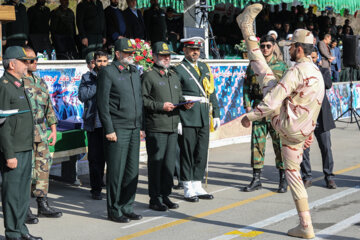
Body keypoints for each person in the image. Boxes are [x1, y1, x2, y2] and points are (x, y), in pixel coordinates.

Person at [237, 4, 324, 238]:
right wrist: (308, 136)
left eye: (292, 47)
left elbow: (273, 102)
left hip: (283, 123)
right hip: (300, 132)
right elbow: (315, 109)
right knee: (294, 176)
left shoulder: (296, 71)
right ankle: (305, 226)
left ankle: (246, 27)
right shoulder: (318, 74)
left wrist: (251, 116)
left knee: (264, 73)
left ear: (298, 48)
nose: (290, 51)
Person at [142, 42, 194, 211]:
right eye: (163, 55)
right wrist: (160, 106)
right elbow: (143, 100)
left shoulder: (173, 75)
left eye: (169, 56)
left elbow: (178, 96)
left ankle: (165, 195)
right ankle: (155, 198)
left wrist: (184, 104)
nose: (167, 58)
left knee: (169, 164)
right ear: (155, 56)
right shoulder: (149, 76)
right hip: (156, 126)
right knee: (156, 164)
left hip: (172, 125)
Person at [97, 38, 143, 223]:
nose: (132, 56)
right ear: (118, 54)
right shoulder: (108, 72)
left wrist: (141, 126)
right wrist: (109, 129)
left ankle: (127, 206)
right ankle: (114, 209)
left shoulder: (133, 72)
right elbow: (103, 103)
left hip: (134, 128)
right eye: (128, 53)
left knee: (132, 171)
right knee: (116, 171)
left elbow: (138, 101)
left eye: (133, 53)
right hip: (117, 128)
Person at [0, 46, 42, 240]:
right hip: (14, 151)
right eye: (24, 61)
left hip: (25, 147)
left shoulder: (18, 84)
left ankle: (21, 230)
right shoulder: (4, 86)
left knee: (23, 194)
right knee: (12, 195)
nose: (28, 64)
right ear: (11, 64)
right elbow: (3, 125)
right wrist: (9, 154)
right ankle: (13, 233)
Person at [174, 37, 220, 202]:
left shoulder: (204, 66)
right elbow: (176, 95)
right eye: (192, 49)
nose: (195, 52)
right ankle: (187, 185)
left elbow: (211, 91)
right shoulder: (179, 69)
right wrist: (178, 118)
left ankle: (197, 183)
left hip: (203, 115)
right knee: (187, 152)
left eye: (198, 50)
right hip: (188, 115)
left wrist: (216, 113)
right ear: (185, 50)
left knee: (201, 150)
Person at [243, 34, 288, 193]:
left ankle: (283, 179)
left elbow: (287, 89)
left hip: (275, 110)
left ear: (274, 46)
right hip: (259, 108)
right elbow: (246, 86)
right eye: (262, 46)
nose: (265, 49)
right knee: (257, 144)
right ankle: (256, 179)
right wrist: (247, 105)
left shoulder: (282, 67)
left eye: (268, 46)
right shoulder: (254, 65)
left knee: (279, 144)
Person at [22, 46, 62, 225]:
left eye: (36, 59)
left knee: (43, 168)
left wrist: (53, 129)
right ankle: (24, 208)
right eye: (31, 60)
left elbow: (49, 108)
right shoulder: (18, 82)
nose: (35, 62)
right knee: (26, 171)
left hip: (41, 132)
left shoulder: (40, 81)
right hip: (24, 133)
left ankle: (42, 203)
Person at [301, 50, 337, 189]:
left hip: (321, 116)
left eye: (314, 58)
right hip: (306, 116)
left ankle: (329, 177)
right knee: (304, 149)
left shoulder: (323, 71)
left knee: (326, 148)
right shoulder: (302, 72)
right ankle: (307, 177)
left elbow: (328, 85)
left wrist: (316, 73)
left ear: (318, 59)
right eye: (310, 57)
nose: (312, 59)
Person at [78, 50, 109, 200]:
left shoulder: (113, 75)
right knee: (95, 158)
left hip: (111, 125)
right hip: (94, 124)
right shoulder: (87, 77)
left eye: (104, 61)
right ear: (93, 62)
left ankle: (111, 185)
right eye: (99, 61)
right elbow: (83, 96)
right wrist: (98, 83)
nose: (101, 64)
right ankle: (95, 189)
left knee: (111, 157)